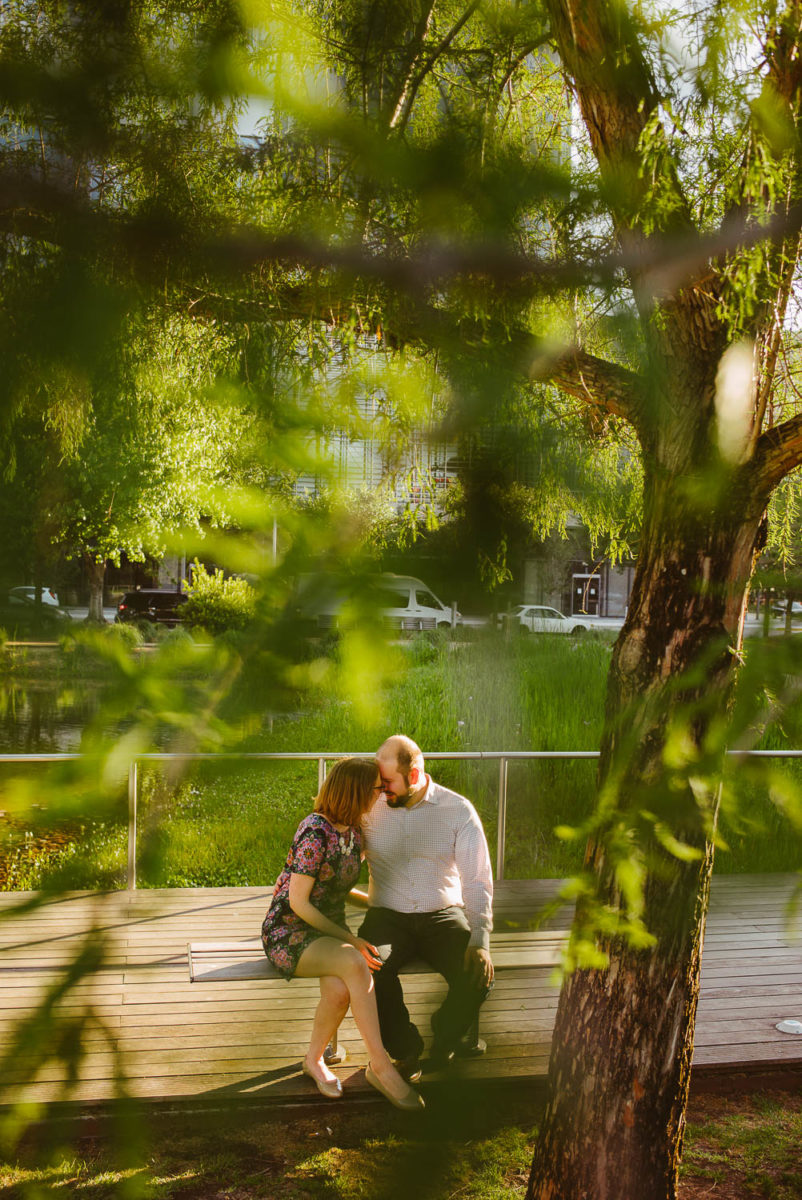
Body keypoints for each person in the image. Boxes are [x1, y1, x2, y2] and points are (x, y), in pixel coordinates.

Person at [261, 756, 424, 1111]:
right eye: (376, 790)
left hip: (327, 932)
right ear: (356, 791)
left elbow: (336, 887)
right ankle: (381, 1066)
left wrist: (381, 905)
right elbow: (300, 903)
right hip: (289, 931)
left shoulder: (352, 831)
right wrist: (350, 938)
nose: (381, 795)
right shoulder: (314, 831)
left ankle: (314, 1060)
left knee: (338, 991)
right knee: (356, 960)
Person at [353, 735, 494, 1081]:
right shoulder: (369, 807)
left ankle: (445, 1034)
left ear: (413, 775)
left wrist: (480, 940)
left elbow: (477, 879)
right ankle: (405, 1050)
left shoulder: (458, 810)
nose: (380, 790)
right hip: (387, 916)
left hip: (442, 916)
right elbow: (338, 854)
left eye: (387, 783)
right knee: (367, 968)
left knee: (478, 977)